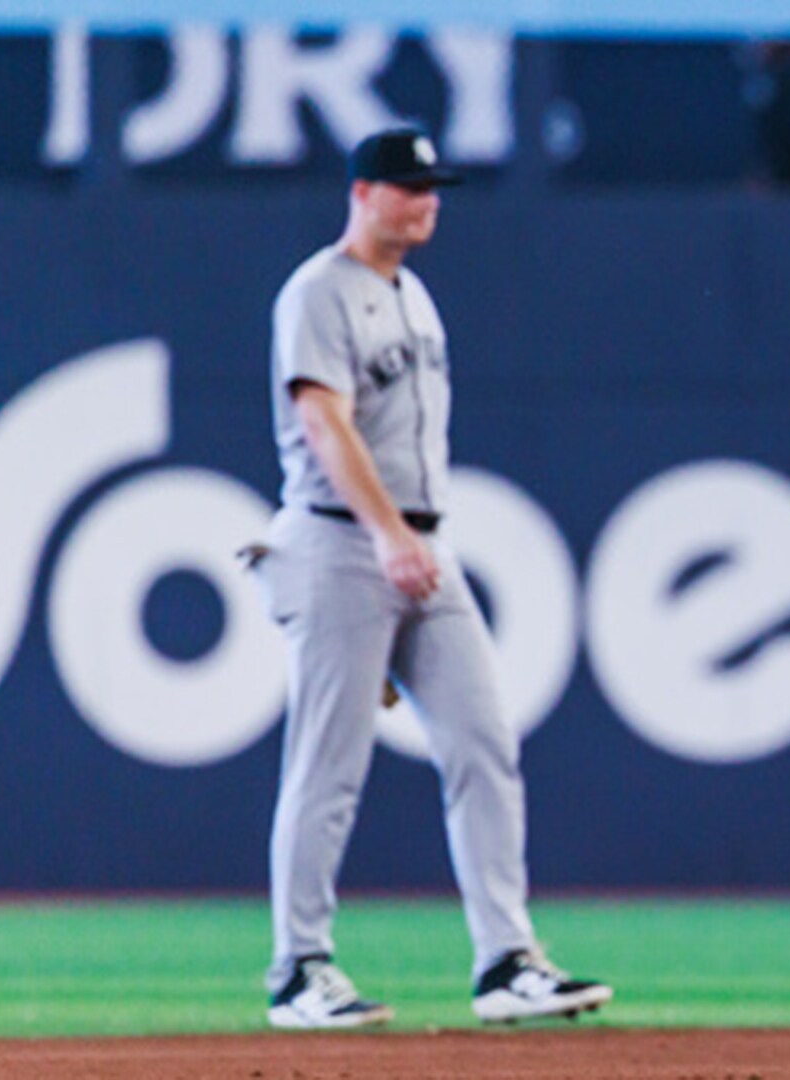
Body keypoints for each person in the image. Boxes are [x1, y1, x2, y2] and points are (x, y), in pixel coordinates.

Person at [251, 127, 611, 1029]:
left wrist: (408, 542)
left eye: (434, 187)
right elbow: (327, 425)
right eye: (409, 187)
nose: (427, 201)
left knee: (485, 742)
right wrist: (384, 536)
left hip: (419, 547)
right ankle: (299, 970)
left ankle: (506, 962)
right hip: (342, 544)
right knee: (328, 766)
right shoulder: (319, 291)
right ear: (363, 192)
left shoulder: (413, 298)